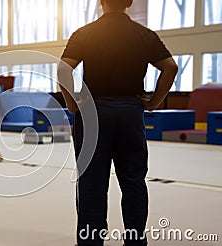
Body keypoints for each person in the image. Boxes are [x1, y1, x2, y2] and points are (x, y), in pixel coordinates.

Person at [57, 0, 178, 245]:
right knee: (133, 181)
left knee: (91, 182)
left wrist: (72, 104)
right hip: (129, 114)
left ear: (101, 2)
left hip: (94, 115)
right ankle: (135, 240)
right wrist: (153, 102)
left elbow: (63, 70)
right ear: (130, 3)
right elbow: (170, 67)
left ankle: (91, 241)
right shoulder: (145, 35)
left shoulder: (84, 33)